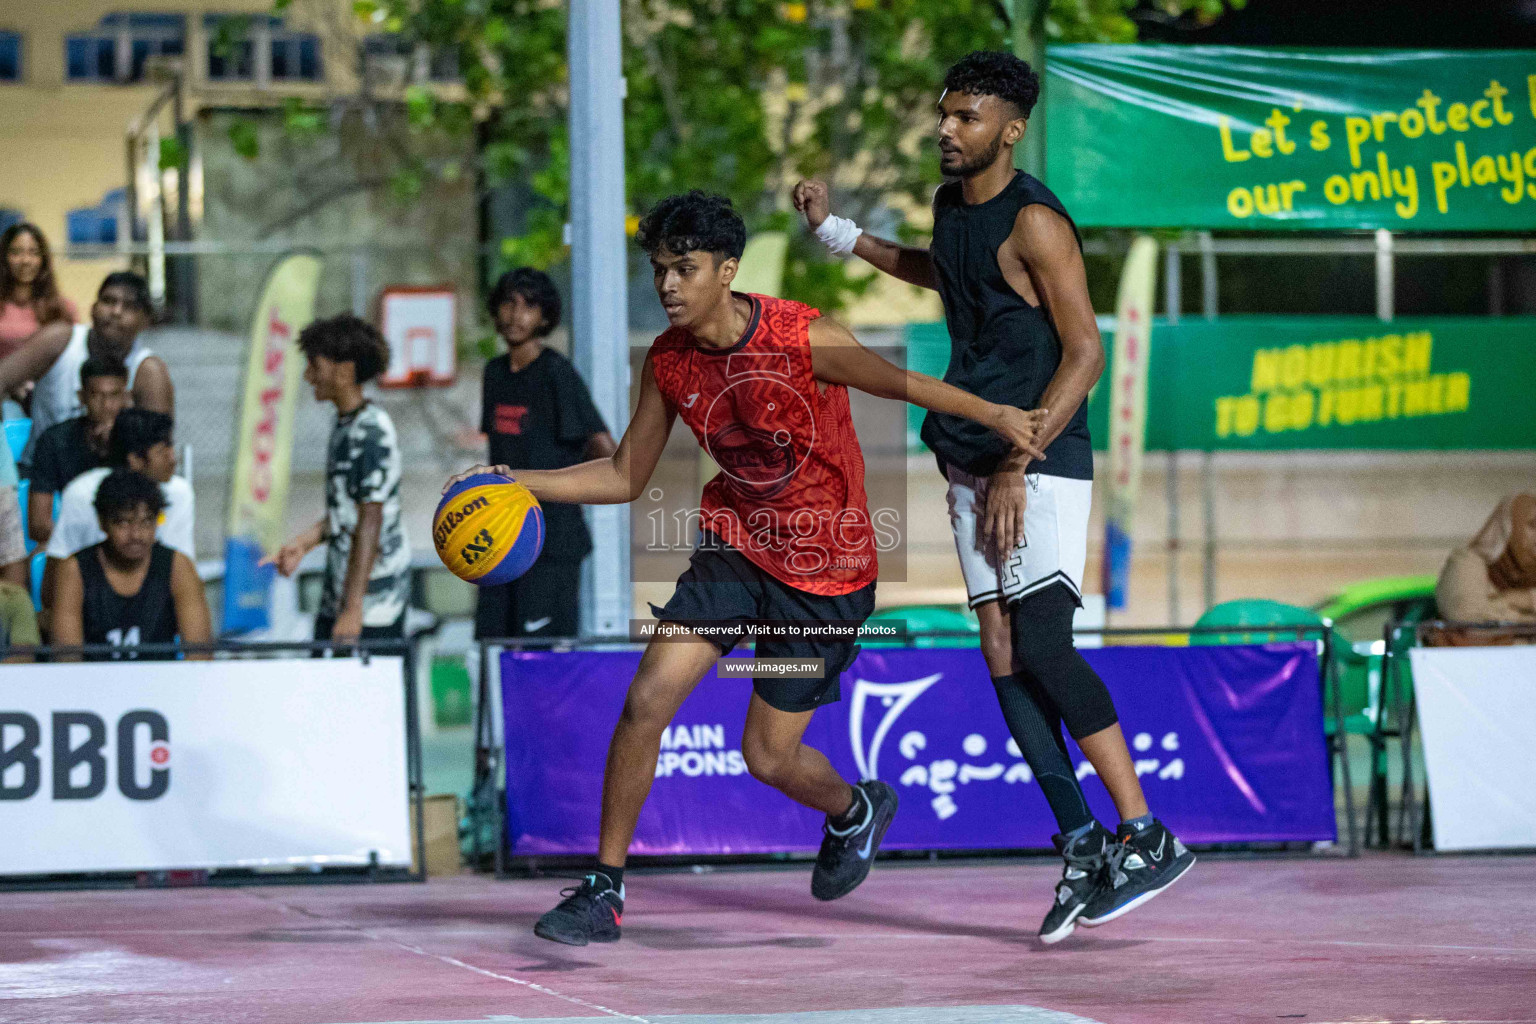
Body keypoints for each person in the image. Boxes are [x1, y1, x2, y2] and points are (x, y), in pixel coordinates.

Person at [445, 190, 1046, 946]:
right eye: (661, 269)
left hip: (826, 573)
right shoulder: (668, 361)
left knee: (766, 756)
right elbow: (626, 473)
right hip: (734, 552)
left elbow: (906, 386)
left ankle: (855, 809)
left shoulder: (804, 336)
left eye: (685, 269)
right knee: (646, 700)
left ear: (726, 271)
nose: (668, 285)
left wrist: (997, 417)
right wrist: (516, 482)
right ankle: (604, 888)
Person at [793, 49, 1194, 943]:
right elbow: (943, 273)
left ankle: (1146, 833)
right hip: (970, 456)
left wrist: (1022, 455)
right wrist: (835, 232)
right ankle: (1083, 843)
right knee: (1003, 651)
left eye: (966, 117)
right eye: (944, 113)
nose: (946, 128)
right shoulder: (952, 209)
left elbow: (1086, 350)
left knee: (1045, 642)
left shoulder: (1037, 220)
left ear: (1009, 130)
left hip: (1039, 457)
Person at [475, 268, 616, 641]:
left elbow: (606, 451)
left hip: (551, 542)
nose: (515, 314)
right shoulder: (493, 373)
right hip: (500, 537)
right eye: (508, 303)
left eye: (528, 306)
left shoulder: (557, 373)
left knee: (541, 656)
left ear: (545, 316)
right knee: (493, 648)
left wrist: (566, 493)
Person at [264, 315, 410, 643]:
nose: (307, 375)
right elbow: (347, 514)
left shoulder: (372, 431)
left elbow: (371, 519)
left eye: (315, 365)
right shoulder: (346, 425)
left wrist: (354, 608)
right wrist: (302, 543)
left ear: (344, 373)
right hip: (340, 598)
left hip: (372, 607)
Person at [0, 270, 172, 471]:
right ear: (93, 308)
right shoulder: (60, 340)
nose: (116, 312)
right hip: (40, 477)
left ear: (145, 321)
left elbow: (160, 448)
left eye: (129, 306)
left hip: (115, 485)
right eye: (108, 301)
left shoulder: (149, 370)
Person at [44, 409, 195, 623]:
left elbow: (182, 576)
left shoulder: (179, 493)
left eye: (145, 520)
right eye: (163, 450)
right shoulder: (81, 494)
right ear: (135, 460)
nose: (173, 458)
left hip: (154, 620)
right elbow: (53, 581)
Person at [50, 468, 211, 661]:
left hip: (162, 688)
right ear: (102, 522)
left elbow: (199, 656)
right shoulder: (74, 570)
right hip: (93, 688)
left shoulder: (178, 566)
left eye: (146, 522)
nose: (136, 535)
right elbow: (67, 663)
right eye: (124, 523)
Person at [27, 354, 130, 545]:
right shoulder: (54, 441)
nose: (106, 405)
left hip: (129, 542)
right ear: (81, 397)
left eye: (114, 395)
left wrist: (117, 444)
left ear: (126, 398)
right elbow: (38, 525)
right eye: (96, 395)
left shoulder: (137, 441)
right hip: (73, 543)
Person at [0, 223, 77, 405]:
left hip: (49, 399)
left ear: (43, 259)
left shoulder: (62, 308)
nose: (25, 260)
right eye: (16, 252)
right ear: (4, 258)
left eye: (33, 253)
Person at [1436, 493, 1536, 628]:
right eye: (1533, 525)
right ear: (1509, 527)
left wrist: (1527, 599)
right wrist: (1515, 609)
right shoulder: (1466, 562)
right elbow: (1467, 616)